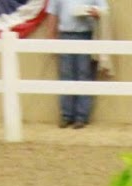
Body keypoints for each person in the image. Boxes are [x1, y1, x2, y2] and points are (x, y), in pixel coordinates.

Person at [42, 0, 107, 129]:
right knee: (66, 75)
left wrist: (96, 13)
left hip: (86, 35)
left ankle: (81, 117)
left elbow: (104, 10)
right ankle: (66, 115)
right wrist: (51, 35)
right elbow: (53, 13)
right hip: (64, 35)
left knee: (84, 74)